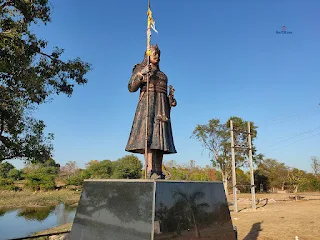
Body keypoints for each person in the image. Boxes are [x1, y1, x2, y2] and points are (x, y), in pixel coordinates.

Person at [125, 44, 177, 179]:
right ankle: (149, 170)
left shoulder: (163, 75)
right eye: (154, 54)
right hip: (147, 106)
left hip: (161, 108)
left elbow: (164, 95)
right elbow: (131, 87)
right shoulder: (140, 69)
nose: (157, 57)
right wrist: (141, 74)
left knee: (160, 140)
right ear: (148, 55)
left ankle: (159, 170)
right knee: (148, 137)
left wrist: (170, 100)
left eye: (159, 54)